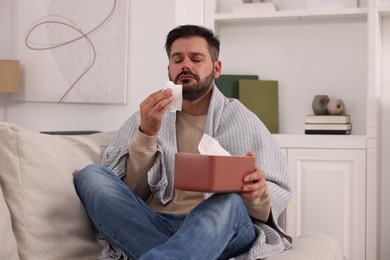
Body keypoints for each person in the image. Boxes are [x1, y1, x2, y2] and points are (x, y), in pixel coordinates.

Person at [74, 24, 292, 260]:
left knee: (230, 200)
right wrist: (146, 134)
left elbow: (269, 198)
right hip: (156, 223)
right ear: (169, 69)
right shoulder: (146, 116)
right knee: (91, 176)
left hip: (219, 226)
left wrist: (258, 193)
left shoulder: (242, 119)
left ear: (217, 68)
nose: (186, 65)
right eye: (177, 59)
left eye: (196, 58)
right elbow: (131, 192)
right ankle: (181, 252)